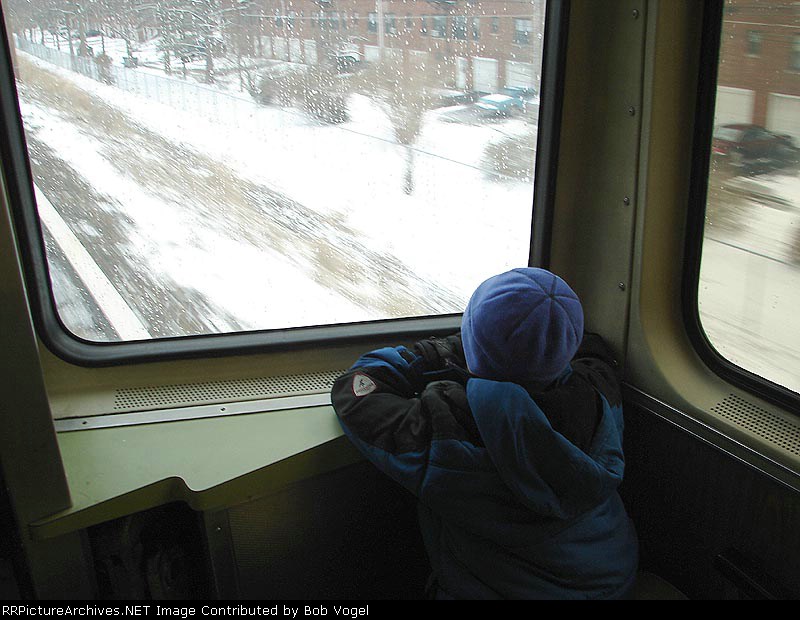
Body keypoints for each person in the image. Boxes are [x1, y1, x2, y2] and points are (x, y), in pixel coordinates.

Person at [330, 267, 638, 599]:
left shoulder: (453, 431)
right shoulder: (599, 394)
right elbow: (594, 351)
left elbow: (358, 391)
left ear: (471, 341)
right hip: (611, 579)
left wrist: (447, 351)